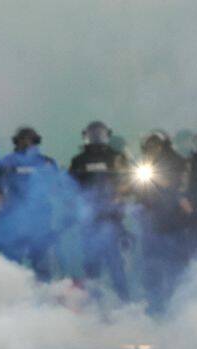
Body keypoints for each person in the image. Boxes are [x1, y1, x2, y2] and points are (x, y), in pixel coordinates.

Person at [69, 121, 130, 299]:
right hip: (90, 219)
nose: (96, 137)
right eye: (92, 133)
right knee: (91, 266)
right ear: (86, 136)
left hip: (112, 218)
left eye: (100, 133)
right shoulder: (79, 160)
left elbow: (128, 182)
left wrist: (118, 196)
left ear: (107, 135)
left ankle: (124, 302)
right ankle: (92, 307)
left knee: (115, 265)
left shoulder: (116, 157)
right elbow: (71, 187)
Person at [134, 130, 189, 312]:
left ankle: (178, 305)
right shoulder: (146, 164)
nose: (152, 148)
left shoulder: (178, 162)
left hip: (174, 222)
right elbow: (139, 190)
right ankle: (154, 305)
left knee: (175, 265)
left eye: (156, 144)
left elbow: (182, 187)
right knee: (151, 264)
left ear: (164, 145)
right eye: (149, 145)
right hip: (152, 222)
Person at [0, 126, 58, 280]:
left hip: (40, 220)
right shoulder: (7, 162)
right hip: (15, 219)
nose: (26, 143)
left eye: (30, 140)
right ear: (16, 142)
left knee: (42, 264)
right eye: (22, 140)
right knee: (12, 264)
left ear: (36, 142)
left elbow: (57, 188)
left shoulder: (47, 163)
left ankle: (45, 296)